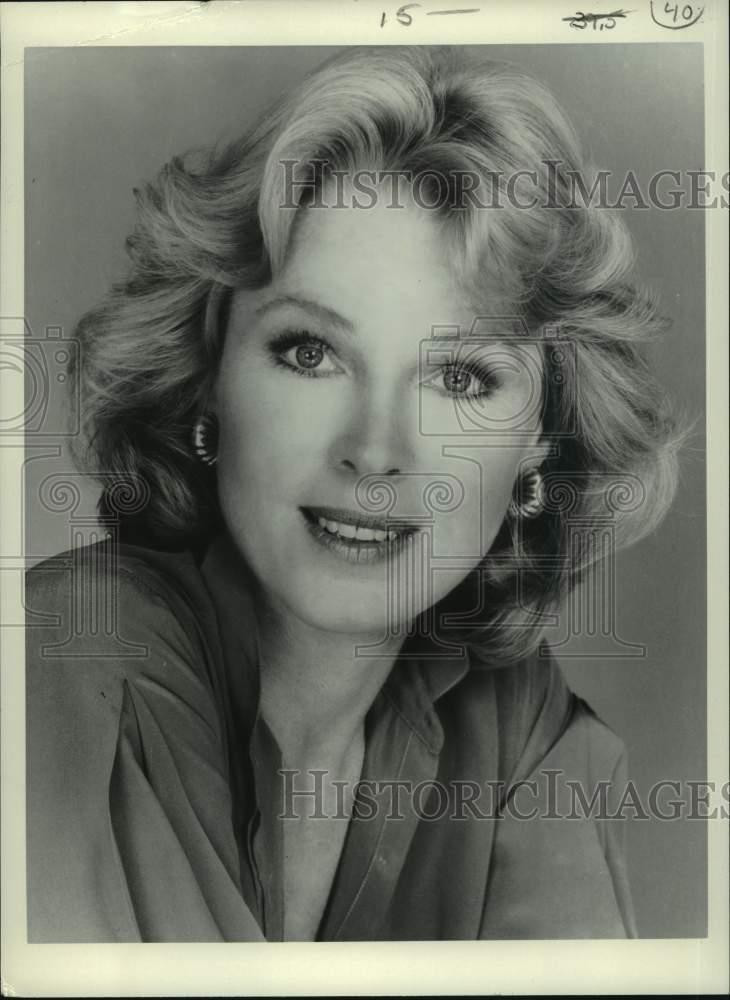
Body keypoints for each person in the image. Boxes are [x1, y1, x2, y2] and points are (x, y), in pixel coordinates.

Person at [25, 46, 684, 942]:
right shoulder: (70, 666)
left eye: (456, 376)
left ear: (542, 436)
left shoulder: (513, 728)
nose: (375, 453)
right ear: (209, 373)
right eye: (310, 352)